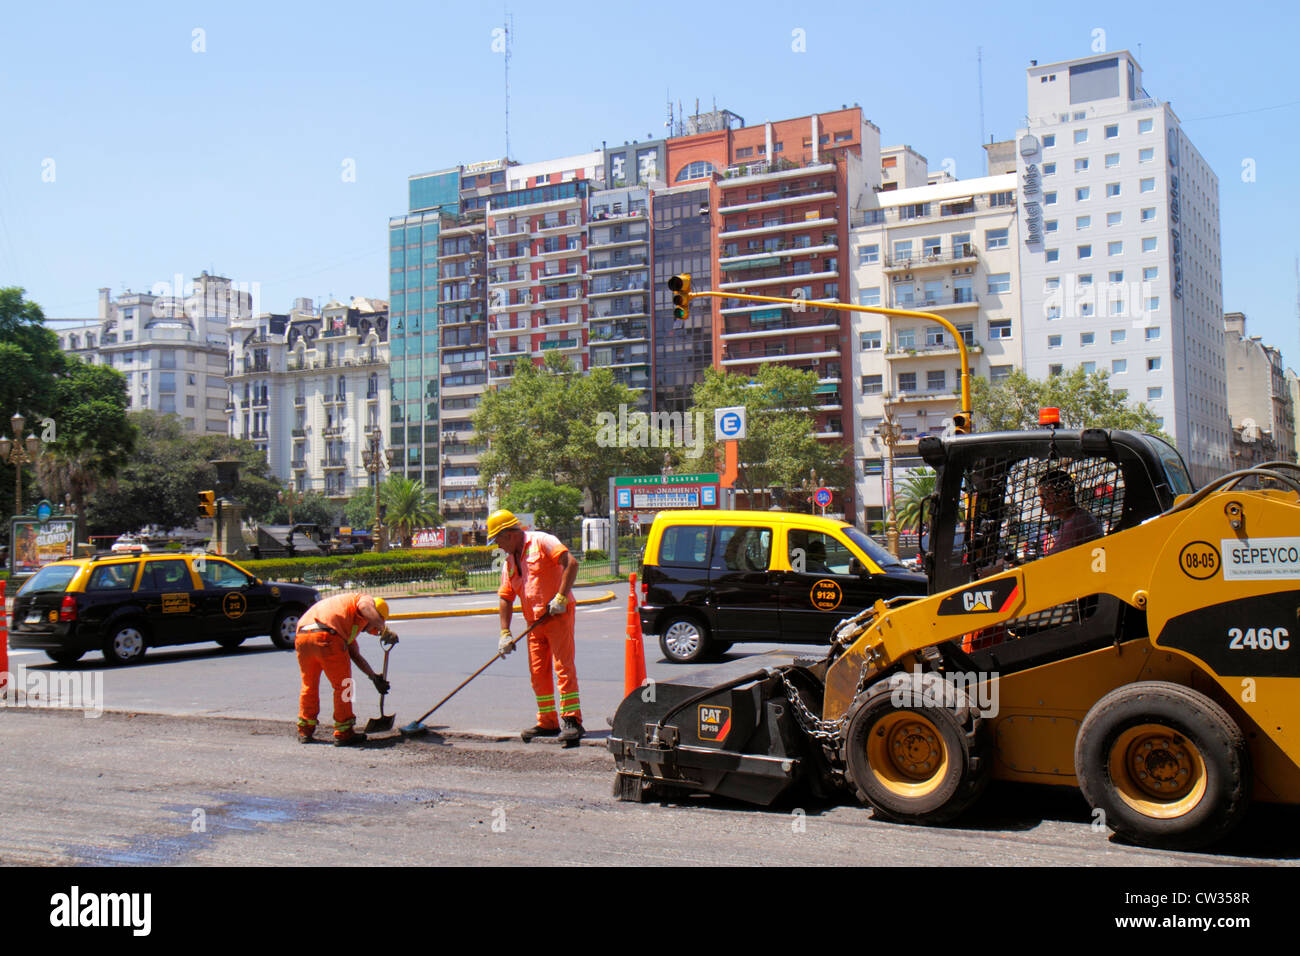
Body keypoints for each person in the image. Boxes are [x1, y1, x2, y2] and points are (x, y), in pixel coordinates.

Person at [490, 509, 583, 744]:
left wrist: (561, 597)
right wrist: (504, 632)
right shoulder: (510, 562)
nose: (497, 546)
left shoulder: (542, 541)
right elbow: (505, 597)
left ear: (508, 534)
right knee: (538, 673)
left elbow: (571, 563)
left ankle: (572, 721)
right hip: (534, 623)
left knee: (563, 666)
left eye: (497, 539)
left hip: (557, 615)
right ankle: (547, 721)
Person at [295, 592, 397, 746]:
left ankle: (305, 729)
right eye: (374, 626)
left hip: (303, 637)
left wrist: (373, 677)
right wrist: (384, 629)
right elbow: (364, 606)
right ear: (374, 615)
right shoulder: (364, 600)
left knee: (309, 684)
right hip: (327, 636)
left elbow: (355, 655)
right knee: (345, 685)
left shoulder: (345, 620)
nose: (372, 632)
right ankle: (344, 732)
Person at [1037, 469, 1102, 555]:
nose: (1041, 504)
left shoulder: (1075, 524)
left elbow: (1054, 561)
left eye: (1044, 497)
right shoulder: (1079, 517)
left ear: (1064, 494)